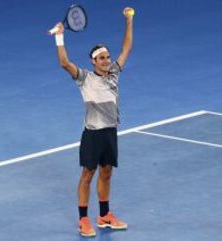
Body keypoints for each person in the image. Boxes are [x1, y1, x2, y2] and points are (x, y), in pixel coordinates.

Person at [50, 7, 133, 237]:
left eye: (107, 57)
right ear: (93, 61)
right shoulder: (84, 77)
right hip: (93, 134)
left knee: (107, 173)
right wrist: (59, 36)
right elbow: (65, 63)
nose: (107, 61)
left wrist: (128, 20)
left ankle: (105, 215)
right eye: (102, 58)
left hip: (110, 133)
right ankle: (83, 219)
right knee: (87, 175)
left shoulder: (115, 72)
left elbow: (127, 48)